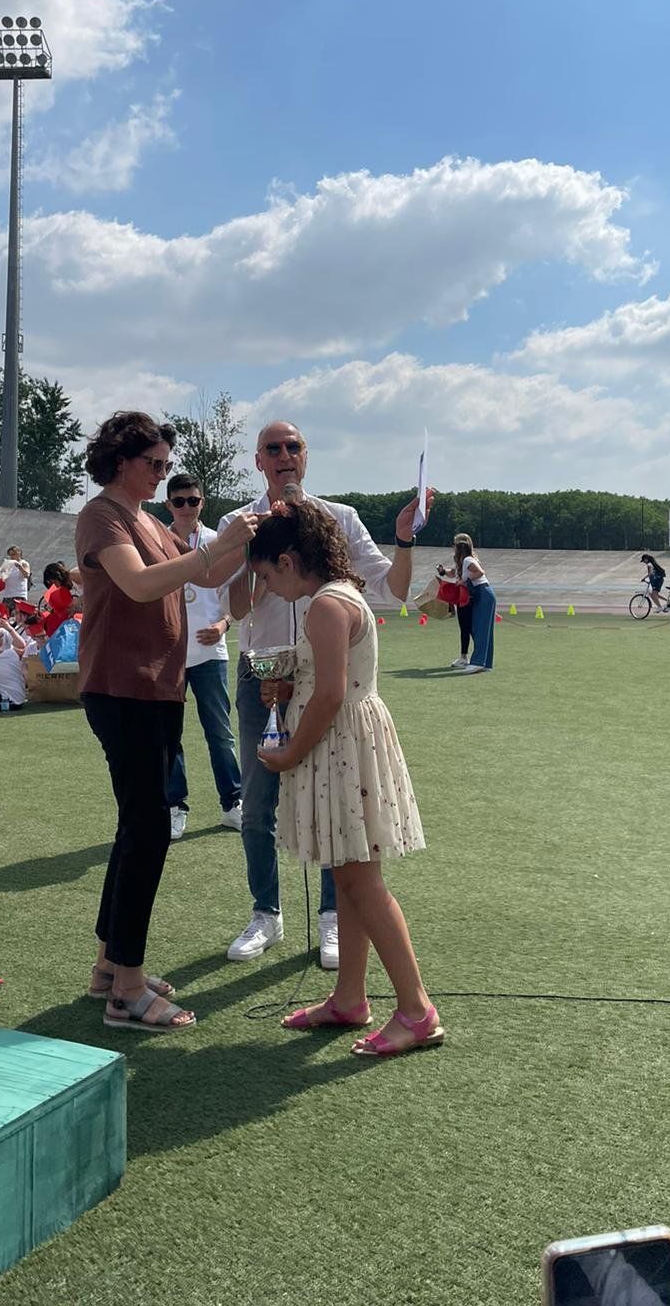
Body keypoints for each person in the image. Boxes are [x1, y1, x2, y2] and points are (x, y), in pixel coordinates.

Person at [220, 420, 431, 970]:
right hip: (263, 677)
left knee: (334, 799)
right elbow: (236, 609)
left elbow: (392, 589)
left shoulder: (340, 519)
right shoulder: (237, 523)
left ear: (306, 456)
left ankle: (334, 916)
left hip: (320, 680)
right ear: (258, 461)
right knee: (258, 802)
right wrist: (257, 548)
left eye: (293, 446)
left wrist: (404, 538)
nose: (284, 455)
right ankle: (265, 912)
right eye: (273, 448)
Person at [75, 411, 258, 1033]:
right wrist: (217, 546)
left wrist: (246, 540)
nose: (161, 474)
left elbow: (208, 574)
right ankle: (126, 990)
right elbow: (140, 585)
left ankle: (110, 966)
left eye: (165, 464)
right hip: (121, 687)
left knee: (139, 827)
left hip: (154, 689)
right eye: (152, 464)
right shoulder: (103, 515)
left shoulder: (151, 522)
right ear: (120, 460)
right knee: (149, 830)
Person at [251, 503, 441, 1057]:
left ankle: (417, 1011)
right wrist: (291, 688)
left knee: (362, 881)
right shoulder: (341, 595)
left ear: (288, 562)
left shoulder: (325, 606)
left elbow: (332, 694)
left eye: (267, 576)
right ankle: (350, 997)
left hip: (339, 747)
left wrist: (289, 753)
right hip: (349, 744)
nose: (268, 587)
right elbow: (327, 680)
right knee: (350, 873)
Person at [164, 473, 243, 837]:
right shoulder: (157, 541)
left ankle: (233, 802)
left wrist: (224, 625)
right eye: (179, 501)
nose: (186, 507)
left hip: (211, 651)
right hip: (168, 654)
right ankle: (175, 806)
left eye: (192, 501)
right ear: (168, 505)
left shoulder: (216, 541)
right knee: (168, 735)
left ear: (202, 503)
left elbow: (235, 595)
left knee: (220, 734)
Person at [436, 533, 495, 672]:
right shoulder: (465, 562)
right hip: (481, 593)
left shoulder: (468, 560)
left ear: (460, 547)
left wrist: (464, 581)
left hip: (482, 592)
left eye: (455, 546)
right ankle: (485, 663)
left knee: (479, 628)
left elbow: (480, 572)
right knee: (482, 629)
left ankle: (478, 662)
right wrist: (443, 571)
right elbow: (454, 572)